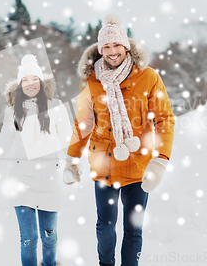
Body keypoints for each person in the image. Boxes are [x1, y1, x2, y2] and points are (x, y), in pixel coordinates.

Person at [63, 14, 175, 266]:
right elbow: (84, 123)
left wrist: (161, 161)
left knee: (133, 229)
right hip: (104, 165)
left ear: (126, 46)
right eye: (107, 46)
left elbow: (164, 119)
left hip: (138, 167)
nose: (112, 52)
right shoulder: (92, 80)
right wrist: (72, 158)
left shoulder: (148, 77)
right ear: (100, 49)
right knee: (105, 226)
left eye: (116, 45)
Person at [0, 54, 71, 266]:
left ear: (41, 82)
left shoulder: (56, 107)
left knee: (50, 238)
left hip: (49, 182)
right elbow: (2, 145)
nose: (30, 84)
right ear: (20, 84)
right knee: (28, 240)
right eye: (26, 80)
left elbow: (68, 141)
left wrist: (73, 165)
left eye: (35, 79)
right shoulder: (13, 111)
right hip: (21, 183)